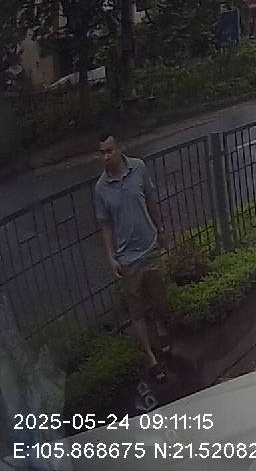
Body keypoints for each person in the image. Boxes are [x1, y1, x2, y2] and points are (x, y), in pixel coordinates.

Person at [93, 131, 171, 382]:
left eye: (109, 151)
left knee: (160, 299)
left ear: (119, 148)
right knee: (136, 311)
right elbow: (105, 225)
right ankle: (151, 357)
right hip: (127, 258)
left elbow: (151, 200)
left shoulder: (138, 168)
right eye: (102, 153)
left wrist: (160, 230)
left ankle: (160, 327)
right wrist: (111, 257)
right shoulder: (101, 188)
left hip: (149, 247)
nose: (106, 157)